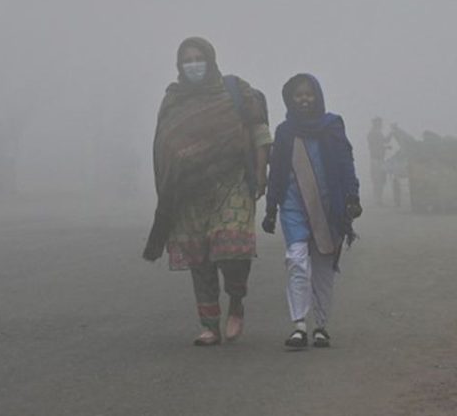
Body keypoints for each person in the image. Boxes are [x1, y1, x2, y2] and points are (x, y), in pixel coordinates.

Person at [143, 37, 271, 346]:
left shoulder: (235, 90)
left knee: (232, 250)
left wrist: (261, 171)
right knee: (199, 258)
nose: (193, 64)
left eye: (198, 57)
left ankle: (236, 302)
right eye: (187, 59)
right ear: (179, 65)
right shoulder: (173, 99)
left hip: (233, 182)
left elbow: (259, 130)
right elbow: (164, 142)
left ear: (210, 60)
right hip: (189, 190)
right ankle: (210, 324)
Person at [261, 74, 361, 349]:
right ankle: (299, 325)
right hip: (293, 206)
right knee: (296, 260)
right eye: (298, 95)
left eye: (309, 94)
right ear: (290, 99)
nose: (304, 99)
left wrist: (353, 196)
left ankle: (321, 326)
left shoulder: (332, 126)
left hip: (329, 208)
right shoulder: (284, 132)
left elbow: (345, 162)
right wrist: (271, 208)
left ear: (317, 96)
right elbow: (277, 172)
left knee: (323, 267)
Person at [367, 117, 391, 205]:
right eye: (380, 123)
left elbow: (383, 142)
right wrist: (384, 147)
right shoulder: (373, 134)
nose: (381, 125)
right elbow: (377, 145)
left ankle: (378, 199)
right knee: (378, 180)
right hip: (376, 160)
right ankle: (378, 199)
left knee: (379, 180)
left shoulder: (376, 133)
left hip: (378, 159)